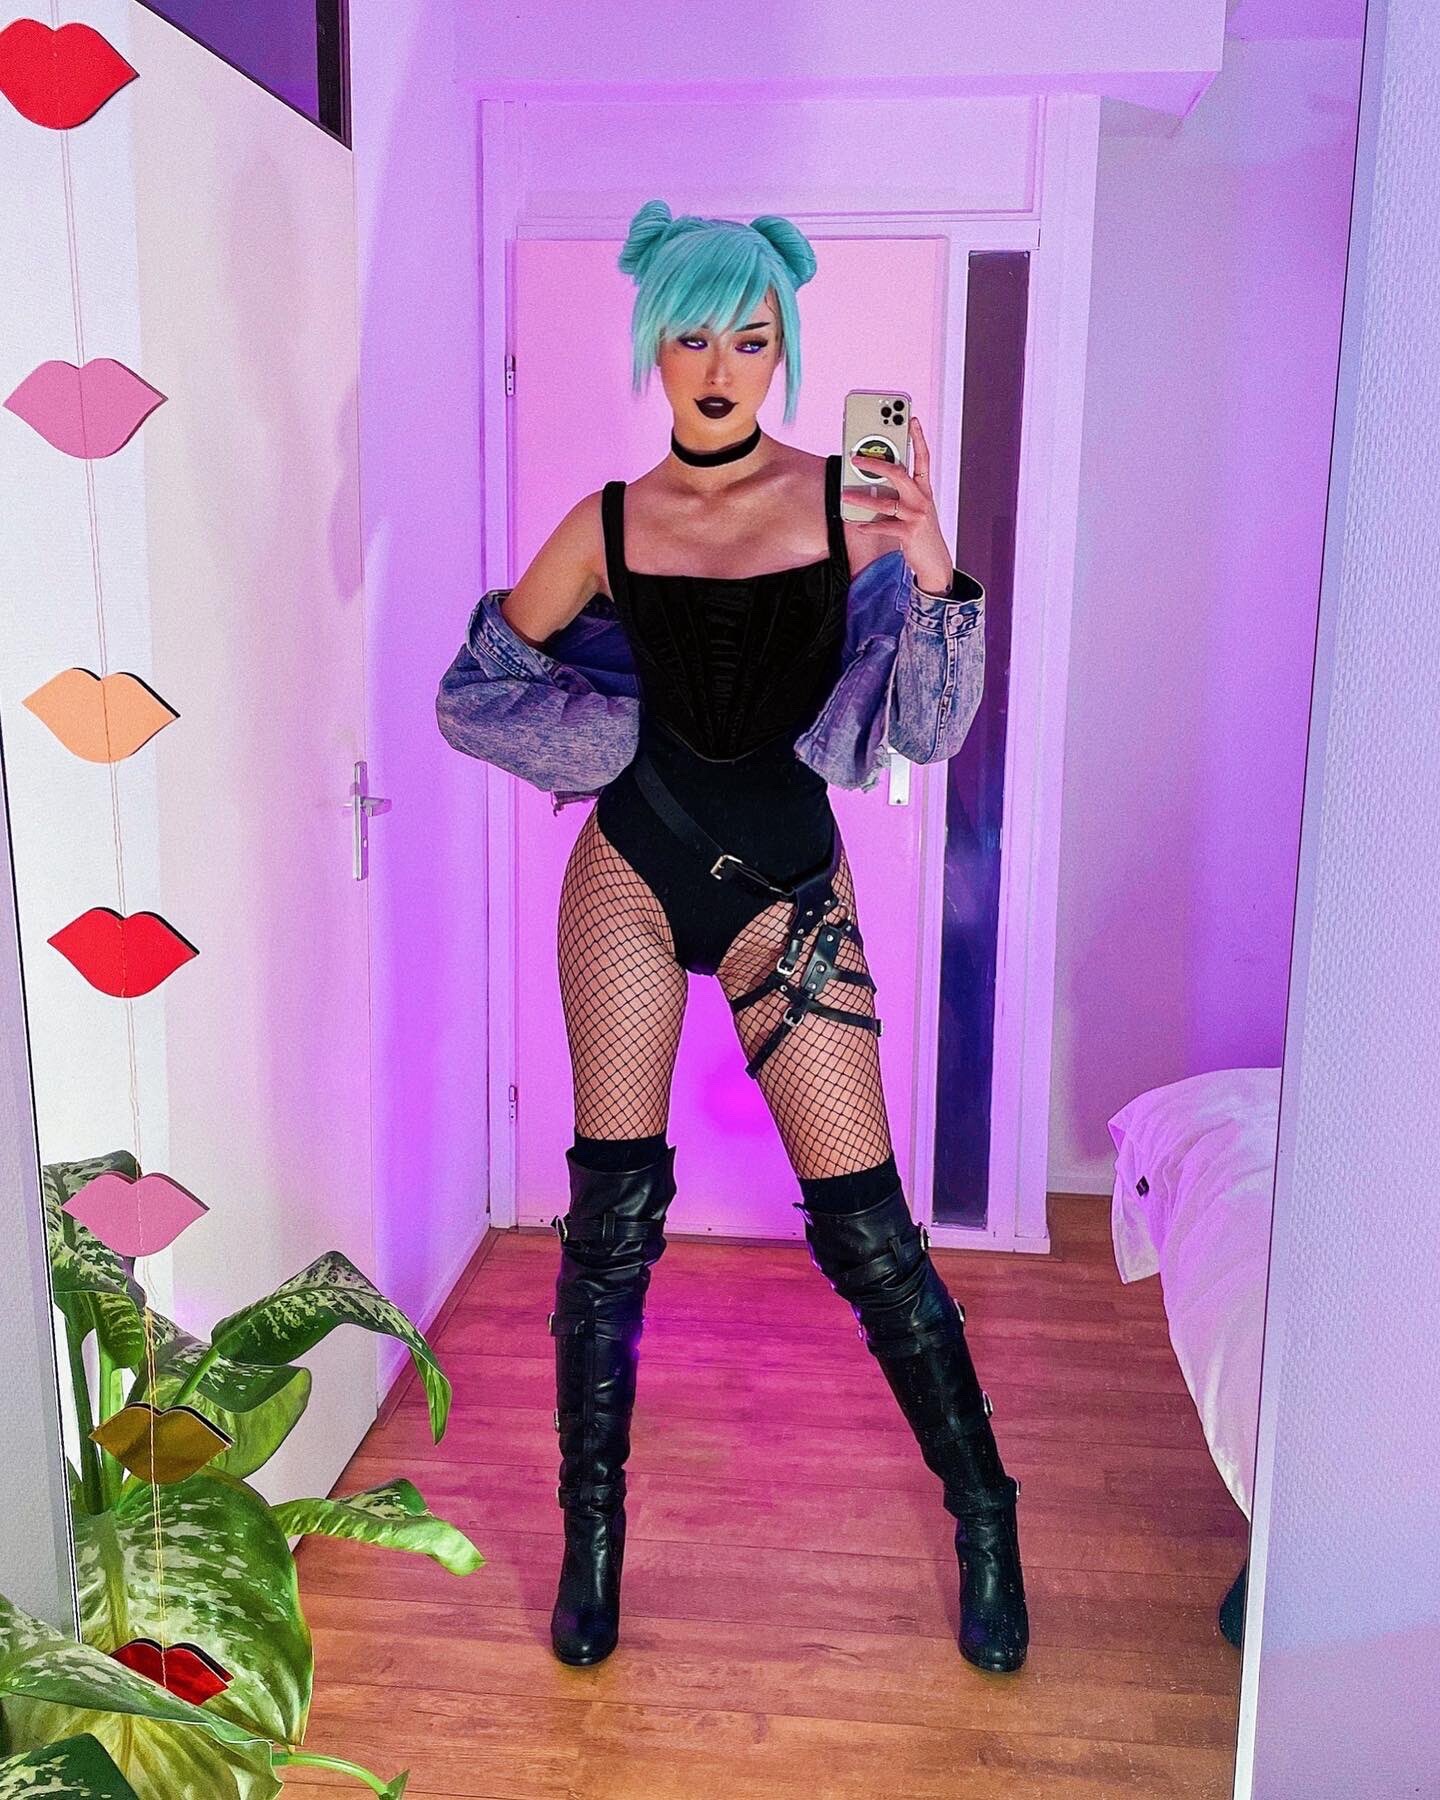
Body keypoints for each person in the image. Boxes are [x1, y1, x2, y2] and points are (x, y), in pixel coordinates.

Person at [436, 197, 1028, 1675]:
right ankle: (591, 1545)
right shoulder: (607, 523)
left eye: (749, 340)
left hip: (788, 890)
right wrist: (605, 734)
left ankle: (986, 1516)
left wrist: (932, 556)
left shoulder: (848, 505)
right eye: (692, 337)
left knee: (868, 1227)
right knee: (610, 1223)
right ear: (655, 344)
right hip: (630, 875)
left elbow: (933, 728)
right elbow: (475, 690)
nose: (719, 368)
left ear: (783, 352)